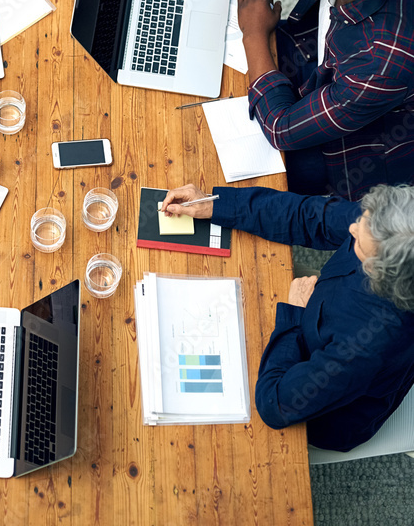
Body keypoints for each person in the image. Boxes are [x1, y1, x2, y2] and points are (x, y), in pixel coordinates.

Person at [160, 181, 414, 452]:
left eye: (359, 243)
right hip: (310, 312)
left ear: (380, 271)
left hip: (315, 405)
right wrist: (216, 205)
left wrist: (295, 316)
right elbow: (309, 215)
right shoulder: (386, 224)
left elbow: (275, 404)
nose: (351, 229)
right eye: (362, 219)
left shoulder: (367, 343)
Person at [236, 0, 414, 199]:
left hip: (348, 151)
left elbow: (281, 129)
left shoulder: (380, 65)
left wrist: (253, 34)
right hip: (315, 62)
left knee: (240, 177)